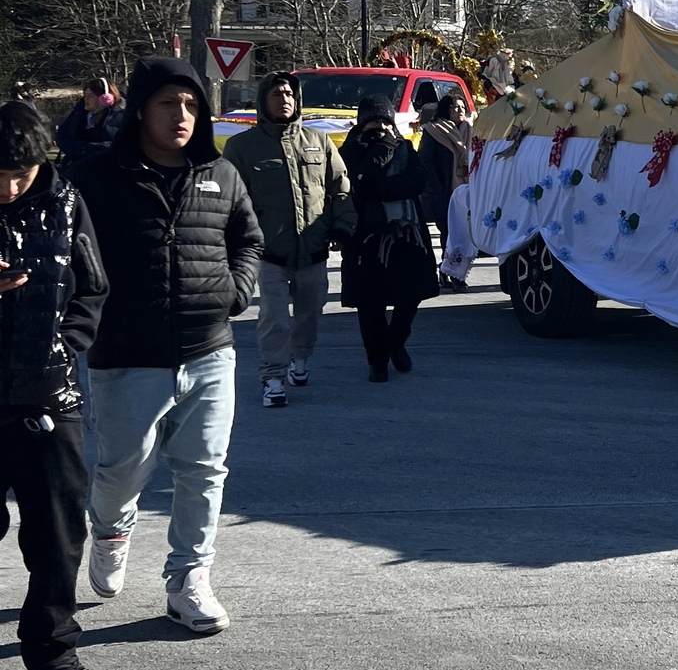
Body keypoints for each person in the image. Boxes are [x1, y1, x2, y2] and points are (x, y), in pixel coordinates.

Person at [69, 59, 262, 635]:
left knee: (203, 469)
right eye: (167, 104)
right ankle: (110, 527)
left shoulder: (220, 174)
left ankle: (189, 579)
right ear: (139, 110)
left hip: (209, 348)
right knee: (122, 467)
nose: (181, 116)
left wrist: (237, 290)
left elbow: (247, 238)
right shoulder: (97, 178)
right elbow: (70, 256)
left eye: (191, 105)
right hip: (127, 354)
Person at [0, 101, 109, 670]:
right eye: (0, 174)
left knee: (59, 531)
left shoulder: (66, 200)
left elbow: (92, 286)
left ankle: (53, 651)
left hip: (49, 392)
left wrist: (66, 346)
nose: (11, 187)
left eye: (22, 173)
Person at [224, 72, 356, 408]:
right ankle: (272, 377)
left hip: (312, 249)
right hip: (268, 253)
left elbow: (340, 187)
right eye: (276, 94)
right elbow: (231, 200)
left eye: (289, 94)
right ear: (262, 101)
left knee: (310, 314)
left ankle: (300, 358)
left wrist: (342, 227)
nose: (284, 99)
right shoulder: (242, 147)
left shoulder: (318, 142)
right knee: (275, 318)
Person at [340, 96, 437, 382]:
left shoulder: (404, 148)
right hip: (365, 238)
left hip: (407, 235)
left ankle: (397, 340)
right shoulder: (350, 151)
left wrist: (383, 187)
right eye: (374, 122)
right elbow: (358, 183)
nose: (380, 127)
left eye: (385, 121)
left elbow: (418, 181)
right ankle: (377, 360)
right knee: (370, 304)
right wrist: (377, 150)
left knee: (412, 294)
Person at [417, 93, 471, 291]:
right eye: (455, 107)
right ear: (445, 110)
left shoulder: (469, 131)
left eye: (463, 107)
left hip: (467, 191)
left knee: (465, 234)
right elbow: (426, 163)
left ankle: (449, 270)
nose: (460, 111)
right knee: (450, 234)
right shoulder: (433, 132)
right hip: (444, 192)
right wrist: (436, 191)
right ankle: (452, 273)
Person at [55, 78, 125, 173]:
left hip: (108, 172)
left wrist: (85, 149)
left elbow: (120, 146)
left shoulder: (121, 117)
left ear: (105, 98)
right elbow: (62, 137)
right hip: (77, 171)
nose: (86, 99)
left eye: (90, 96)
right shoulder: (78, 114)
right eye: (85, 96)